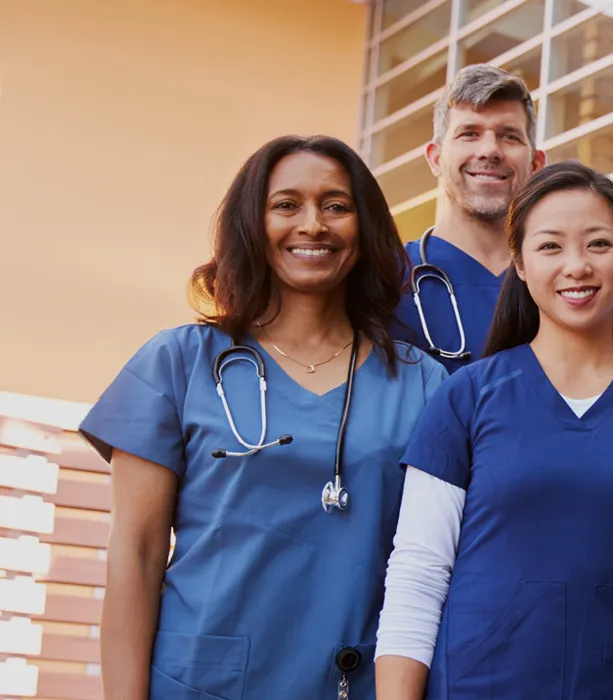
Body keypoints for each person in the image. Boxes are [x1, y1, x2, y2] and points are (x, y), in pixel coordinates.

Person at [80, 135, 446, 698]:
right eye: (286, 205)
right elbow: (137, 551)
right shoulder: (180, 362)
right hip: (201, 678)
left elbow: (431, 568)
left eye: (336, 205)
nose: (313, 224)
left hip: (351, 680)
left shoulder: (422, 383)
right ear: (252, 223)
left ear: (365, 226)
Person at [373, 161, 613, 699]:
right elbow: (419, 570)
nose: (576, 266)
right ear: (520, 262)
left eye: (598, 244)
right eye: (551, 246)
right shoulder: (467, 396)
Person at [393, 64, 546, 373]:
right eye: (469, 134)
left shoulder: (559, 279)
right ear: (436, 158)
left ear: (536, 164)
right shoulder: (385, 279)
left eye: (509, 136)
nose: (490, 150)